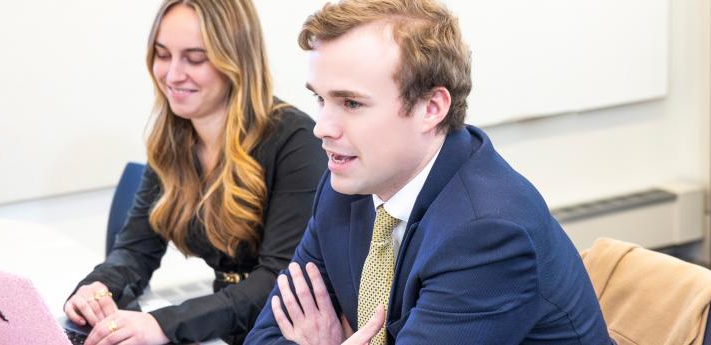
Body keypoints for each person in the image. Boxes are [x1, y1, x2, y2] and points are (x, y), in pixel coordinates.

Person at [246, 0, 613, 344]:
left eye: (352, 103)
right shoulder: (345, 186)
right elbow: (265, 335)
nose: (322, 127)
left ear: (431, 107)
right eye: (320, 99)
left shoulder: (487, 232)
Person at [63, 1, 326, 344]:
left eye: (195, 58)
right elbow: (134, 249)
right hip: (226, 327)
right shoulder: (173, 139)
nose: (172, 75)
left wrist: (164, 325)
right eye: (162, 54)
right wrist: (97, 288)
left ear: (236, 60)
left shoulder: (294, 142)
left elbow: (277, 283)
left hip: (286, 332)